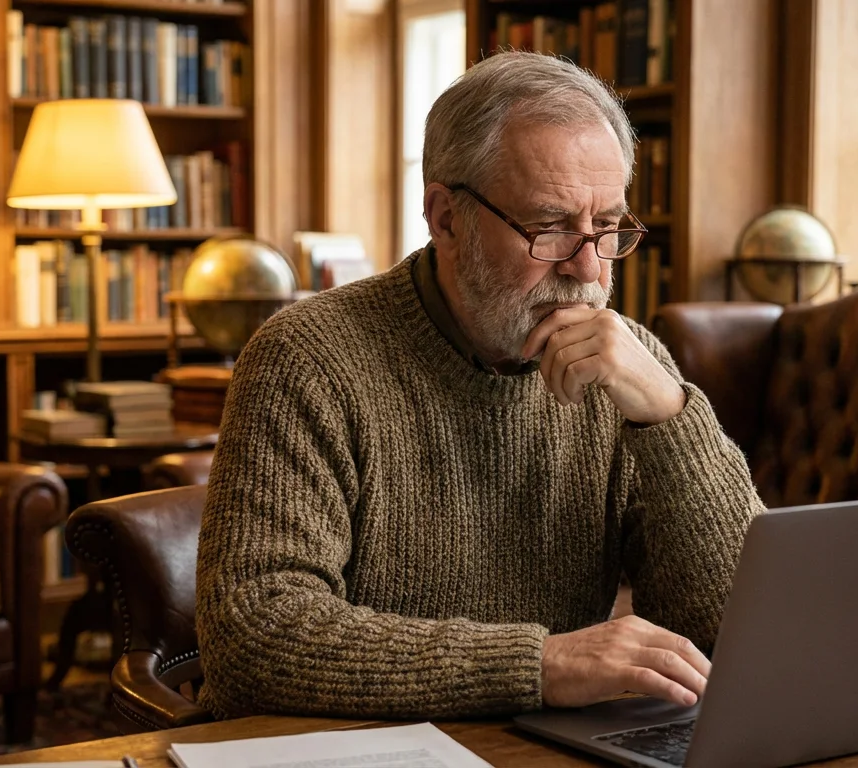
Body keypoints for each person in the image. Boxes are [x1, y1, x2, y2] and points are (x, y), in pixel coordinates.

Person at [195, 51, 765, 721]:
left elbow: (740, 630)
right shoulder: (308, 358)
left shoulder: (629, 365)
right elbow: (256, 634)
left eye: (607, 226)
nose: (587, 269)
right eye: (550, 227)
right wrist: (542, 665)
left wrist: (669, 414)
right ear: (446, 218)